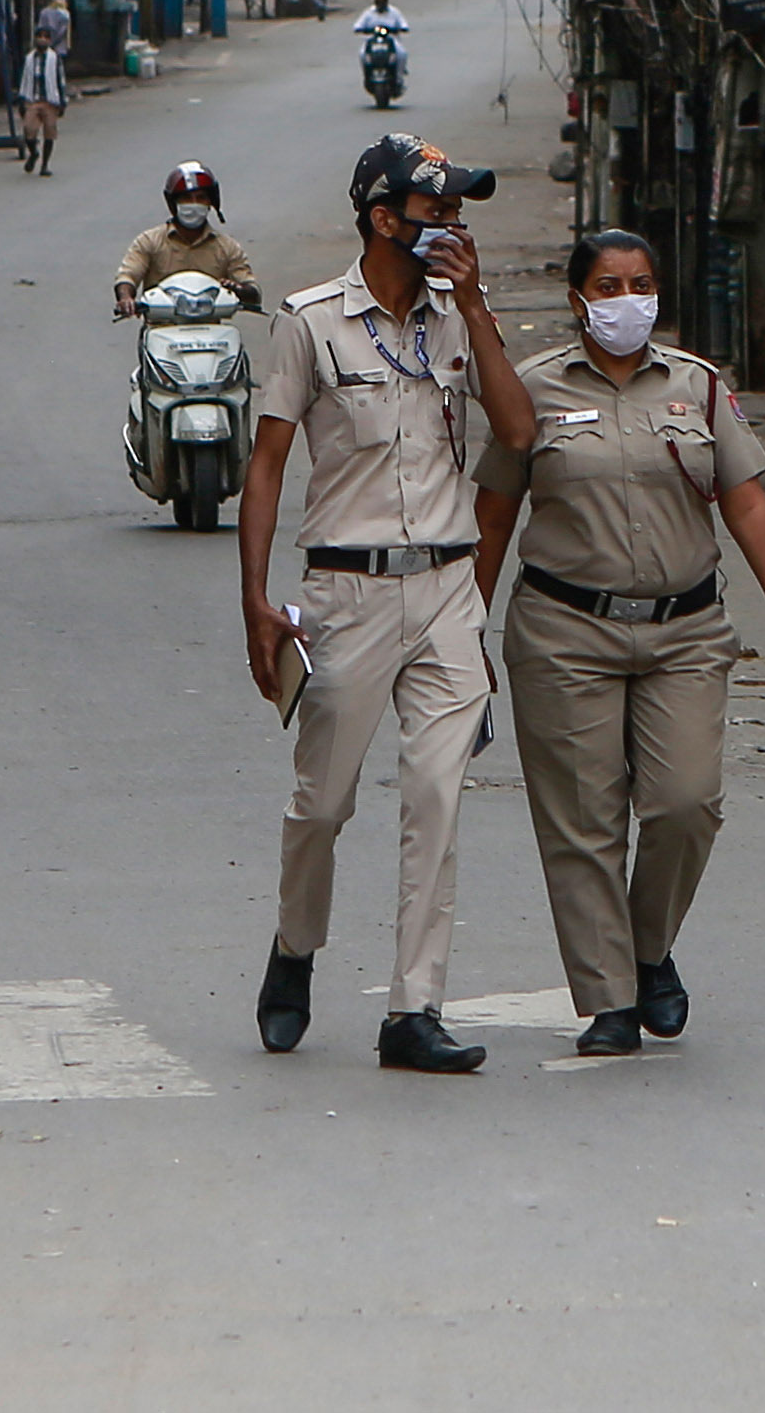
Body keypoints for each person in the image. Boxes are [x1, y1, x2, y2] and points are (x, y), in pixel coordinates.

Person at [476, 229, 765, 1054]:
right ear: (577, 299)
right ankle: (610, 1002)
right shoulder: (531, 391)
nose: (626, 298)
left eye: (640, 283)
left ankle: (647, 947)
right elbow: (494, 515)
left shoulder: (697, 387)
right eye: (607, 284)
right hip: (563, 630)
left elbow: (744, 502)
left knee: (685, 801)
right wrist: (463, 633)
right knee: (582, 820)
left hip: (687, 631)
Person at [239, 134, 539, 1073]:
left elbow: (518, 432)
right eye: (437, 211)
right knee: (322, 805)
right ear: (384, 218)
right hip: (346, 589)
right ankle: (296, 947)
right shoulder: (312, 322)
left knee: (438, 797)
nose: (451, 227)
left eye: (457, 213)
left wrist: (480, 305)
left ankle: (414, 1007)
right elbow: (269, 463)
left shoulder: (456, 319)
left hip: (448, 585)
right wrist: (255, 599)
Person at [113, 160, 259, 323]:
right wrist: (126, 298)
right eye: (186, 198)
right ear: (173, 203)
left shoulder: (227, 247)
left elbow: (252, 291)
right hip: (161, 330)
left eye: (201, 198)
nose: (194, 204)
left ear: (211, 202)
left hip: (213, 333)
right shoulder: (149, 241)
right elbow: (128, 275)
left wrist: (239, 290)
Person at [14, 34, 69, 177]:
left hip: (50, 100)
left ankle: (45, 165)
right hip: (32, 99)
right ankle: (33, 153)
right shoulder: (29, 59)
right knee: (28, 129)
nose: (42, 40)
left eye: (45, 37)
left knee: (49, 132)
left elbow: (60, 79)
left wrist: (63, 101)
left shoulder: (54, 58)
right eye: (39, 37)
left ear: (50, 41)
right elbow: (25, 79)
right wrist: (21, 100)